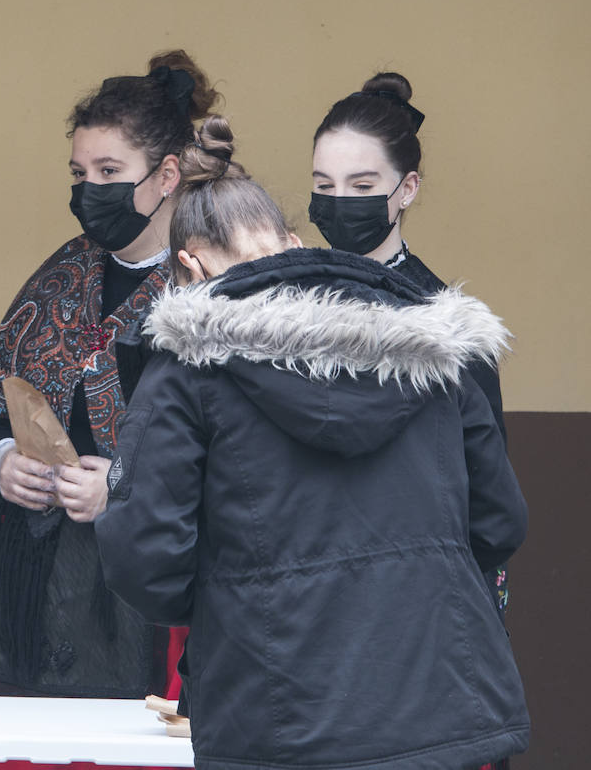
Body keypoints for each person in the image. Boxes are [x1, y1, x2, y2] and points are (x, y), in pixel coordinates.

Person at [96, 116, 529, 770]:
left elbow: (144, 560)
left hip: (274, 718)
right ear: (293, 244)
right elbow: (500, 522)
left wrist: (240, 600)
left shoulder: (187, 371)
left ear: (187, 266)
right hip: (441, 706)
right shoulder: (434, 346)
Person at [0, 51, 217, 770]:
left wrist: (119, 488)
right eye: (78, 173)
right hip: (28, 589)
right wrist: (3, 462)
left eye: (107, 173)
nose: (88, 190)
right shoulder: (60, 272)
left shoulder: (206, 291)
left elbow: (233, 452)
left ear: (165, 176)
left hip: (142, 595)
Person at [310, 72, 512, 622]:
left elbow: (489, 505)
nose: (339, 202)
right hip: (306, 597)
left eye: (361, 185)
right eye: (324, 186)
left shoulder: (448, 322)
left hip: (417, 603)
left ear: (408, 189)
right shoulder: (283, 305)